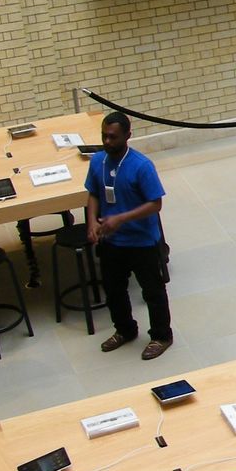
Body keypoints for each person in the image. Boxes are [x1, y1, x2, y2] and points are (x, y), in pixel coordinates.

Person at [84, 110, 172, 361]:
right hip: (112, 242)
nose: (107, 142)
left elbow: (155, 203)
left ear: (127, 136)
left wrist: (120, 218)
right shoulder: (97, 161)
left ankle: (161, 335)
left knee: (152, 291)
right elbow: (92, 193)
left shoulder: (141, 166)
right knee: (114, 290)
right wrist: (91, 222)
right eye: (104, 136)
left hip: (142, 241)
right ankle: (124, 330)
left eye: (113, 137)